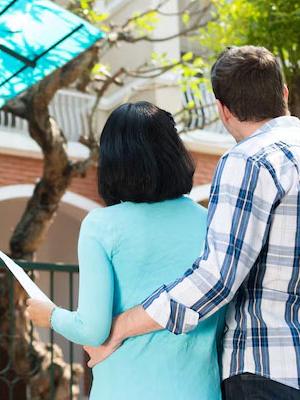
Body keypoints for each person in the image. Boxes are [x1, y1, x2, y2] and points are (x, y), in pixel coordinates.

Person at [75, 46, 300, 400]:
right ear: (284, 94)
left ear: (223, 110)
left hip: (268, 375)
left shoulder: (249, 161)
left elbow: (215, 279)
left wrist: (122, 326)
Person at [27, 101, 225, 399]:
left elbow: (92, 329)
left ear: (113, 160)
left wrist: (50, 315)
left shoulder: (102, 225)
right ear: (174, 152)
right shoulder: (210, 221)